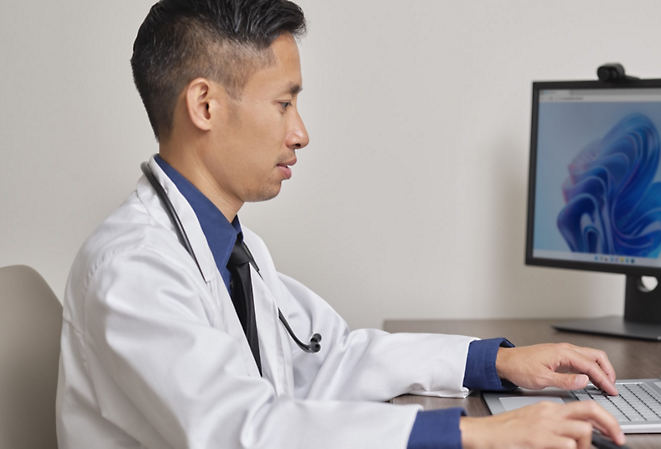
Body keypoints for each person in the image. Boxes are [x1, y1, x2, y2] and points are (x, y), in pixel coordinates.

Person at [56, 1, 627, 448]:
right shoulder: (131, 269)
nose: (300, 133)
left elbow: (331, 357)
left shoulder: (234, 247)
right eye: (284, 104)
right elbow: (240, 432)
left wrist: (495, 362)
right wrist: (474, 434)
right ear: (204, 106)